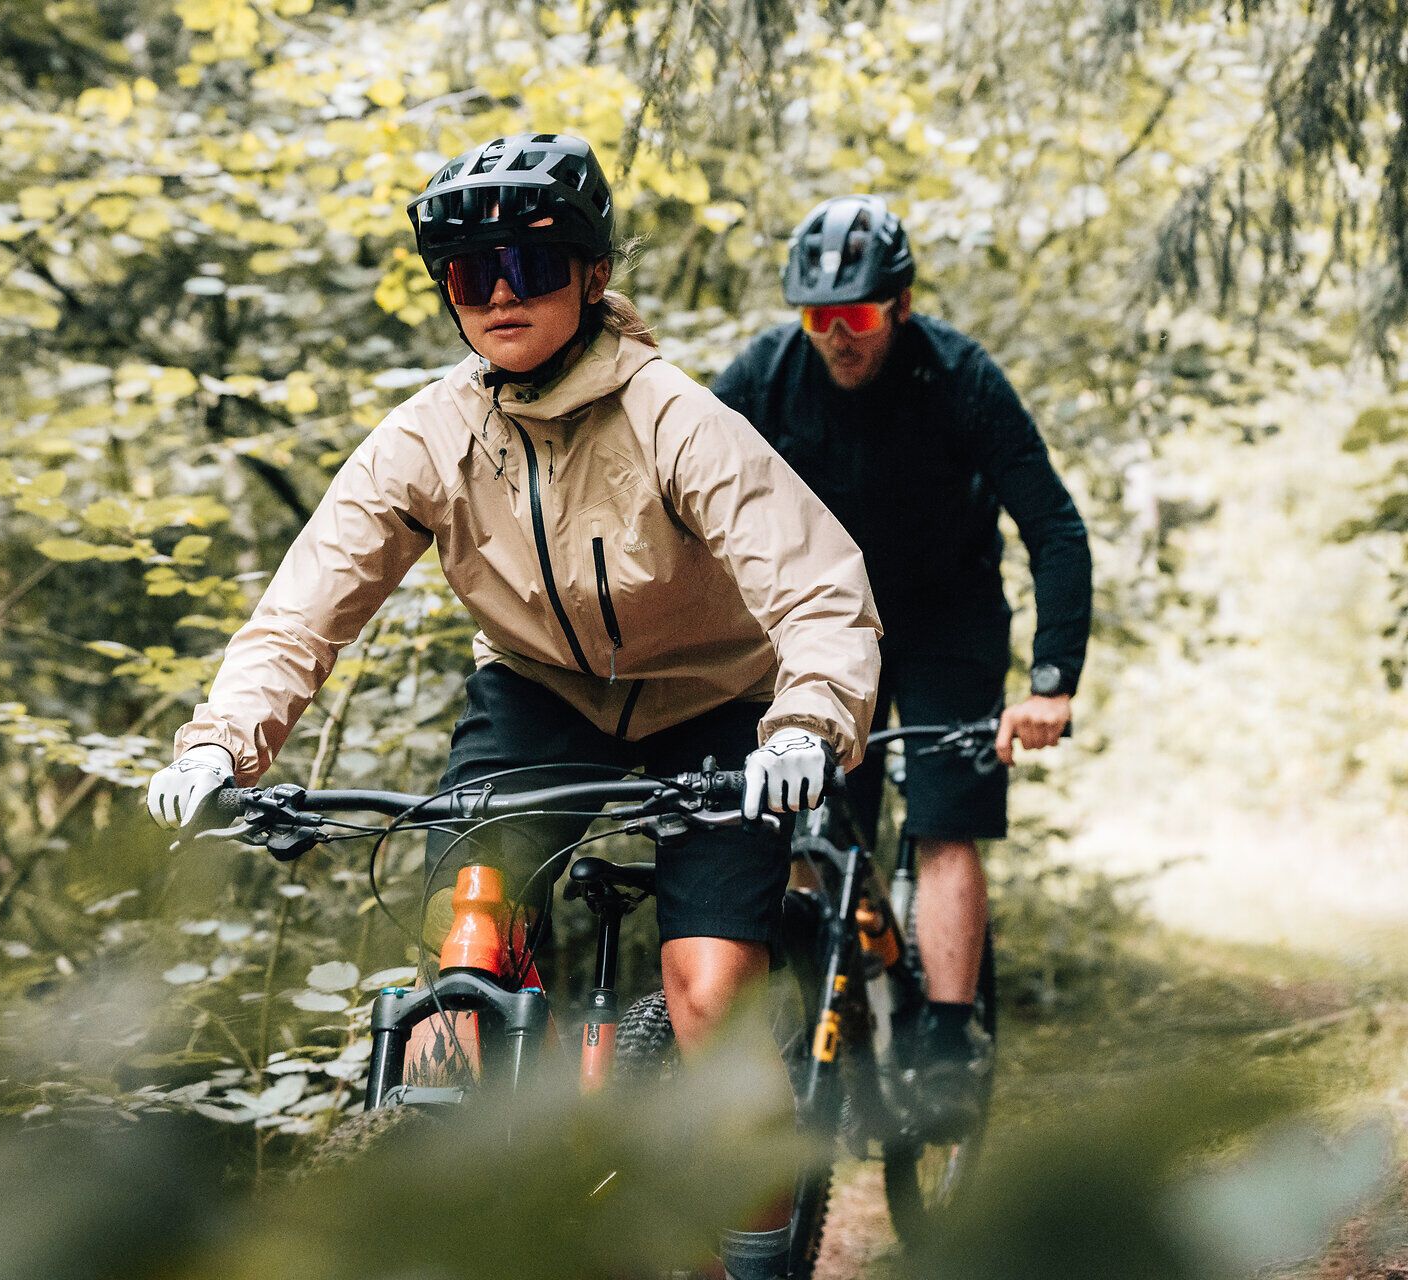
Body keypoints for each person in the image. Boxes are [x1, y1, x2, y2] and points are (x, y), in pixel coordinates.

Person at [146, 133, 882, 1278]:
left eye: (531, 266)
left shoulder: (672, 416)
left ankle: (752, 1264)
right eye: (468, 271)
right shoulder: (432, 434)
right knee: (463, 967)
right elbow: (305, 606)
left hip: (714, 705)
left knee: (709, 993)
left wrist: (804, 721)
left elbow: (819, 584)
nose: (498, 293)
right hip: (537, 695)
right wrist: (220, 742)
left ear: (590, 276)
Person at [711, 194, 1093, 1138]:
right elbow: (684, 510)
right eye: (818, 317)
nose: (838, 337)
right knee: (804, 823)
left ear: (902, 305)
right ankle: (819, 1029)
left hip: (947, 622)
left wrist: (1051, 683)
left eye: (859, 315)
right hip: (822, 629)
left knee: (942, 822)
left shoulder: (960, 377)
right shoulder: (763, 376)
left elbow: (1052, 526)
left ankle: (952, 1039)